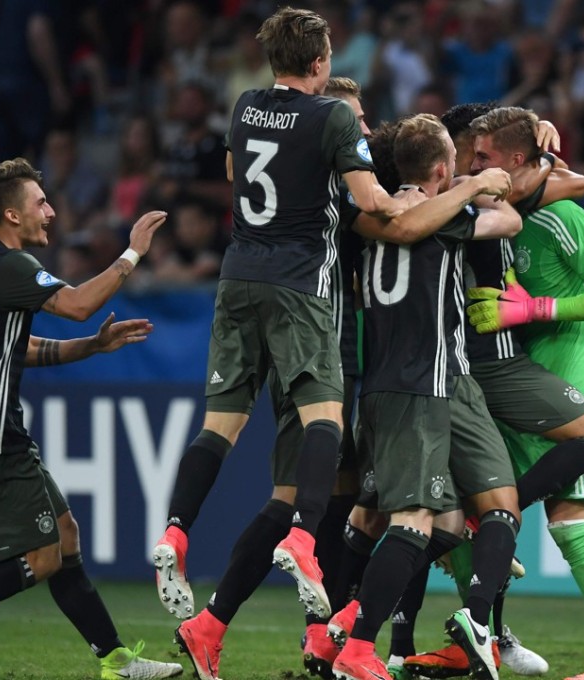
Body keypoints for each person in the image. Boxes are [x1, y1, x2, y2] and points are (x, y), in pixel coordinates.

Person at [158, 9, 406, 678]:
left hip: (279, 304)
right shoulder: (335, 164)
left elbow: (245, 171)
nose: (354, 129)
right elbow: (383, 216)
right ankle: (343, 638)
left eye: (361, 126)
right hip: (322, 331)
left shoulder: (255, 111)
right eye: (345, 118)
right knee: (340, 502)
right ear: (320, 65)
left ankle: (216, 620)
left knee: (326, 498)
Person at [0, 158, 179, 680]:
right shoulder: (12, 265)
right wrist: (132, 252)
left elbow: (19, 348)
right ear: (11, 214)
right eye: (40, 203)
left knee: (64, 533)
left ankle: (114, 659)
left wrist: (91, 348)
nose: (50, 212)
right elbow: (77, 304)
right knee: (44, 555)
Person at [330, 113, 521, 680]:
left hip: (413, 383)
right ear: (444, 168)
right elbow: (505, 221)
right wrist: (475, 188)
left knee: (455, 519)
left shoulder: (368, 214)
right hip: (416, 386)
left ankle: (353, 619)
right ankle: (358, 648)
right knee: (412, 522)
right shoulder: (448, 217)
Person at [464, 106, 584, 680]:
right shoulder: (499, 212)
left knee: (568, 523)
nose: (475, 166)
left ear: (517, 161)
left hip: (568, 373)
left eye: (485, 157)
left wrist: (533, 308)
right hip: (518, 374)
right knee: (485, 512)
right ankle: (487, 639)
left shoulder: (565, 214)